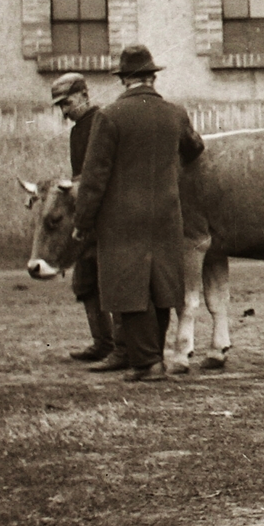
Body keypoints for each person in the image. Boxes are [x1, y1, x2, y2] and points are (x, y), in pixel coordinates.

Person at [71, 45, 205, 382]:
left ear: (124, 80)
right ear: (152, 77)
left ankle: (148, 363)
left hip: (121, 218)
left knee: (130, 290)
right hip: (165, 214)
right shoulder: (175, 113)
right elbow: (195, 147)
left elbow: (94, 176)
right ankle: (152, 356)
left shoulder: (109, 116)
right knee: (161, 286)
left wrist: (83, 221)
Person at [49, 72, 125, 367]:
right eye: (60, 106)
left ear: (83, 95)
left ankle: (121, 346)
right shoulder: (77, 130)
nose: (64, 111)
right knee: (84, 281)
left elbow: (102, 173)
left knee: (110, 281)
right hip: (86, 213)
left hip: (104, 215)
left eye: (66, 103)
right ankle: (102, 342)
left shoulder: (101, 123)